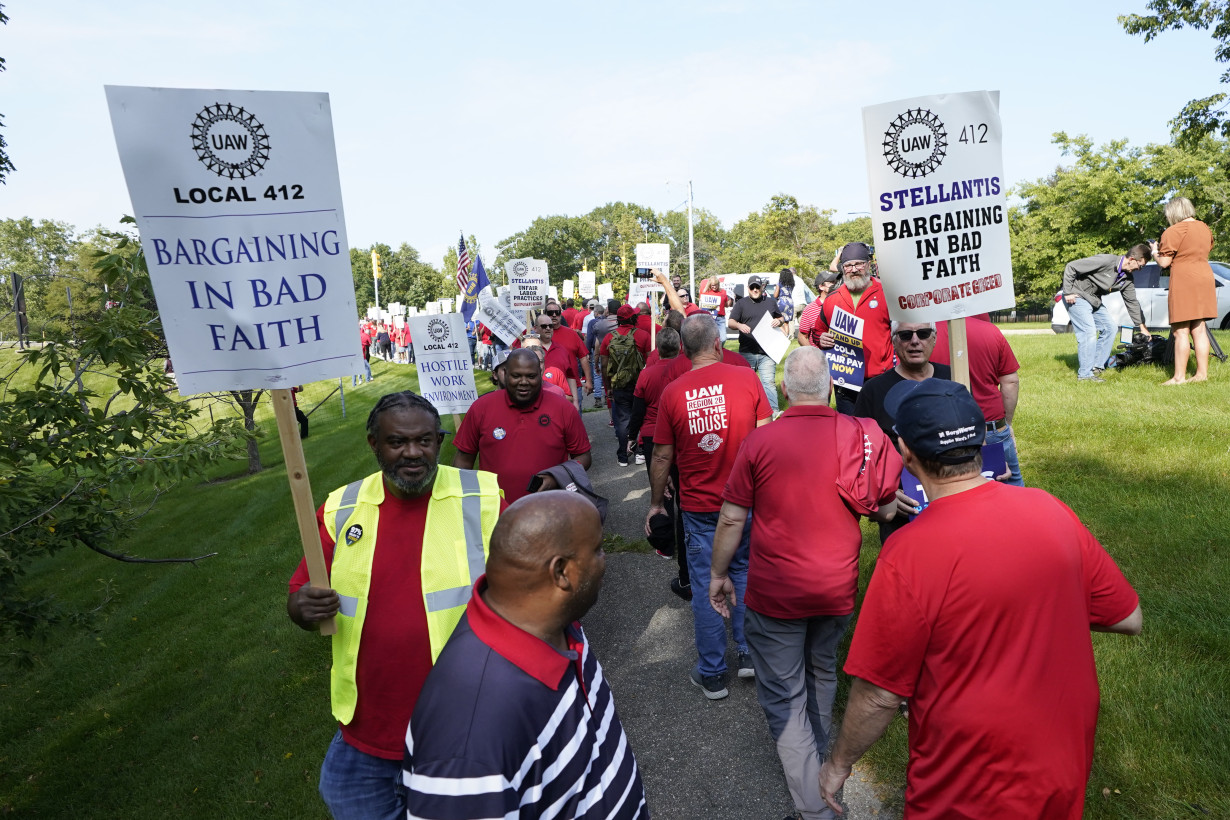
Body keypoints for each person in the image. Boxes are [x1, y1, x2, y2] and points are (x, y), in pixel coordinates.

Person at [817, 379, 1143, 819]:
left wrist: (838, 765)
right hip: (1059, 766)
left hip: (967, 786)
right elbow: (1128, 616)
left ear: (905, 452)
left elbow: (878, 694)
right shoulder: (1050, 509)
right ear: (982, 443)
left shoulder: (908, 553)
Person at [286, 391, 504, 820]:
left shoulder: (483, 498)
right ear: (374, 444)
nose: (412, 453)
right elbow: (300, 595)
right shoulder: (341, 507)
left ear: (439, 440)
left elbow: (529, 597)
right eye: (397, 442)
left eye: (424, 441)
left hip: (460, 728)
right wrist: (301, 608)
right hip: (367, 727)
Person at [710, 348, 900, 820]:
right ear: (831, 388)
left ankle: (815, 808)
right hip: (836, 587)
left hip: (777, 593)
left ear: (783, 390)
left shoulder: (760, 442)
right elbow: (888, 508)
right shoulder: (859, 433)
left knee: (783, 696)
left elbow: (733, 518)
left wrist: (717, 575)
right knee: (821, 670)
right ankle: (820, 758)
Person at [403, 492, 647, 818]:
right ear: (561, 573)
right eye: (599, 550)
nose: (605, 561)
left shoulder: (556, 622)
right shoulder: (468, 741)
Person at [646, 314, 772, 699]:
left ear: (683, 350)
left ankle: (714, 673)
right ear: (719, 344)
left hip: (700, 508)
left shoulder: (673, 392)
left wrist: (655, 504)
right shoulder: (747, 379)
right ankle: (750, 654)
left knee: (705, 586)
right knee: (746, 573)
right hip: (746, 501)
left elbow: (662, 456)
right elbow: (766, 436)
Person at [853, 321, 952, 544]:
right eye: (906, 335)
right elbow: (858, 454)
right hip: (902, 508)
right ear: (894, 340)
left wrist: (992, 466)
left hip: (952, 500)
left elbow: (975, 433)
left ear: (934, 338)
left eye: (923, 333)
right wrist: (882, 493)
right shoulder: (874, 391)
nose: (915, 341)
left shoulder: (954, 378)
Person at [453, 349, 592, 504]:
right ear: (505, 374)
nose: (524, 382)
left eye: (531, 376)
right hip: (495, 511)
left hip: (551, 509)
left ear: (540, 373)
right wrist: (465, 501)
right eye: (516, 376)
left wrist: (556, 477)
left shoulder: (563, 409)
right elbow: (463, 461)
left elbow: (584, 456)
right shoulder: (481, 408)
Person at [628, 328, 690, 598]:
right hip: (679, 436)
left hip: (653, 438)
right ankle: (686, 543)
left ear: (658, 349)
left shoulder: (647, 373)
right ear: (678, 346)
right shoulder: (685, 371)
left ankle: (665, 546)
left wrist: (631, 436)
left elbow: (638, 409)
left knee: (661, 492)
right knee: (680, 495)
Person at [933, 313, 1025, 485]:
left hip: (945, 430)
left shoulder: (927, 334)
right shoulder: (991, 331)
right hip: (992, 425)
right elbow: (1010, 381)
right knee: (1011, 488)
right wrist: (1007, 423)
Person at [815, 243, 893, 414]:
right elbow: (817, 331)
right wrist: (821, 339)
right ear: (842, 269)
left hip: (881, 379)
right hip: (845, 382)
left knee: (884, 433)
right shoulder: (832, 299)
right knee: (851, 433)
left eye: (859, 264)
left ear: (869, 264)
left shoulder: (887, 293)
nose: (854, 269)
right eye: (848, 265)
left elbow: (903, 333)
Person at [1152, 196, 1217, 384]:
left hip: (1184, 280)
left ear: (1173, 212)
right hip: (1204, 277)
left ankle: (1179, 377)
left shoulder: (1173, 231)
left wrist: (1155, 252)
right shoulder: (1205, 228)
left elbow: (1165, 262)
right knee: (1199, 328)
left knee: (1180, 331)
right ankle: (1201, 375)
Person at [1061, 245, 1151, 382]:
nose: (1140, 269)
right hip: (1076, 295)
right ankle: (1085, 375)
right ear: (1132, 259)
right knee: (1088, 331)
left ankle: (1096, 366)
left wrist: (1143, 328)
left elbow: (1132, 302)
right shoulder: (1106, 261)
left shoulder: (1127, 279)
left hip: (1093, 300)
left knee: (1110, 328)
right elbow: (1071, 266)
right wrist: (1067, 292)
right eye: (1141, 265)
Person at [600, 305, 651, 466]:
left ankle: (623, 456)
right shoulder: (644, 336)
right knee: (642, 418)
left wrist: (608, 387)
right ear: (633, 318)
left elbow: (604, 365)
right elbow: (650, 363)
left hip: (619, 385)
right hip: (640, 385)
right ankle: (640, 453)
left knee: (622, 421)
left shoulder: (609, 338)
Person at [727, 275, 785, 412]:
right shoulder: (741, 303)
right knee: (746, 385)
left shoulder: (770, 302)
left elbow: (780, 317)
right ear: (748, 288)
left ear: (762, 287)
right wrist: (740, 325)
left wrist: (780, 321)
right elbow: (730, 322)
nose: (755, 290)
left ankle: (774, 412)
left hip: (767, 352)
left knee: (769, 383)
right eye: (752, 287)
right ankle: (745, 412)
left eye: (757, 287)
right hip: (747, 351)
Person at [797, 271, 842, 347]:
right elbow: (802, 336)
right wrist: (813, 353)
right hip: (820, 356)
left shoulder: (842, 304)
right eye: (832, 282)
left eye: (836, 282)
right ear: (821, 286)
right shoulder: (809, 309)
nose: (836, 285)